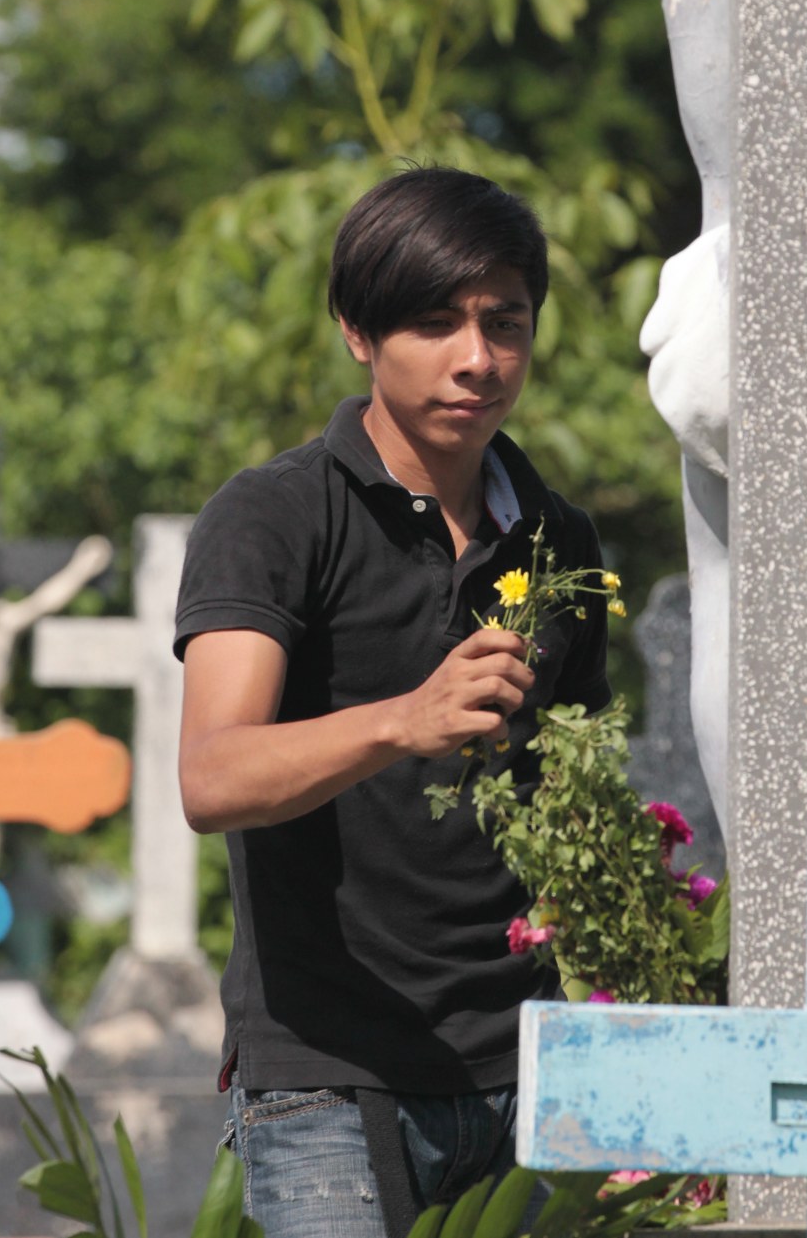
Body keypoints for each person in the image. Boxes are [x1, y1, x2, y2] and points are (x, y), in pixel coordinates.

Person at [174, 165, 610, 1238]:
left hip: (533, 1077)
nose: (477, 358)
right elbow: (211, 777)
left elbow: (582, 790)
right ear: (356, 332)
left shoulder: (558, 540)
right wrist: (402, 721)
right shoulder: (273, 516)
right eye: (433, 322)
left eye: (504, 322)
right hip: (326, 1080)